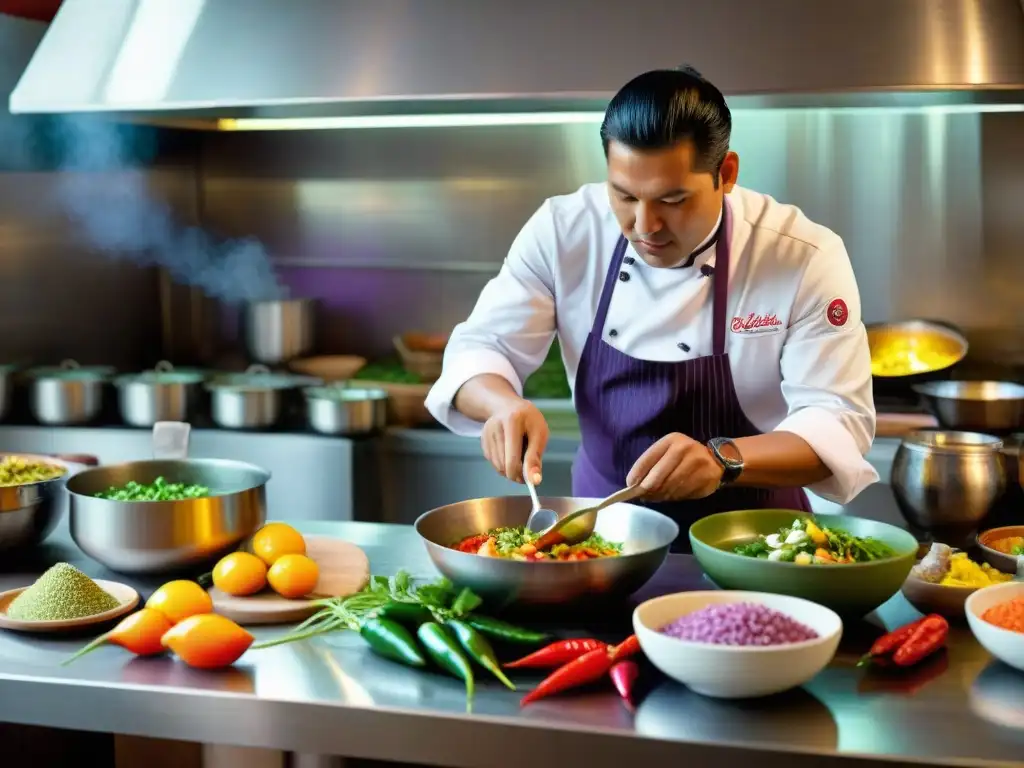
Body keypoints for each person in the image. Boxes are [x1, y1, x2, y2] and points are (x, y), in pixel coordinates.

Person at [425, 66, 878, 549]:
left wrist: (724, 459)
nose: (646, 226)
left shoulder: (801, 254)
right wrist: (502, 404)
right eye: (624, 195)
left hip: (759, 544)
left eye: (673, 199)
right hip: (602, 539)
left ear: (726, 175)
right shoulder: (563, 230)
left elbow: (837, 421)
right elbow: (481, 349)